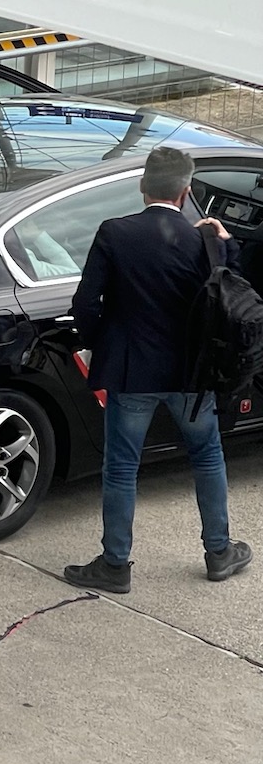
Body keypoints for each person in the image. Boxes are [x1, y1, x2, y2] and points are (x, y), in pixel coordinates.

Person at [64, 145, 252, 592]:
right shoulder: (205, 240)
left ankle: (114, 564)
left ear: (143, 186)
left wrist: (98, 347)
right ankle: (219, 551)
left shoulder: (114, 233)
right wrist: (227, 244)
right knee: (207, 456)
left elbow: (84, 303)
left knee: (121, 466)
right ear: (186, 192)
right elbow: (233, 297)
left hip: (131, 372)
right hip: (192, 374)